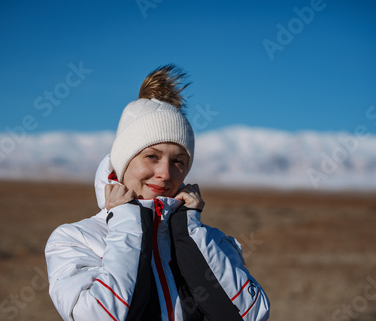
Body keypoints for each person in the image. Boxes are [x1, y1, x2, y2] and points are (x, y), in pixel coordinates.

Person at [45, 64, 270, 320]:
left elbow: (251, 315)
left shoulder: (215, 242)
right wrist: (127, 223)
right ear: (122, 161)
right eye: (152, 156)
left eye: (178, 162)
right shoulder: (75, 239)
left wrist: (190, 234)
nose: (165, 173)